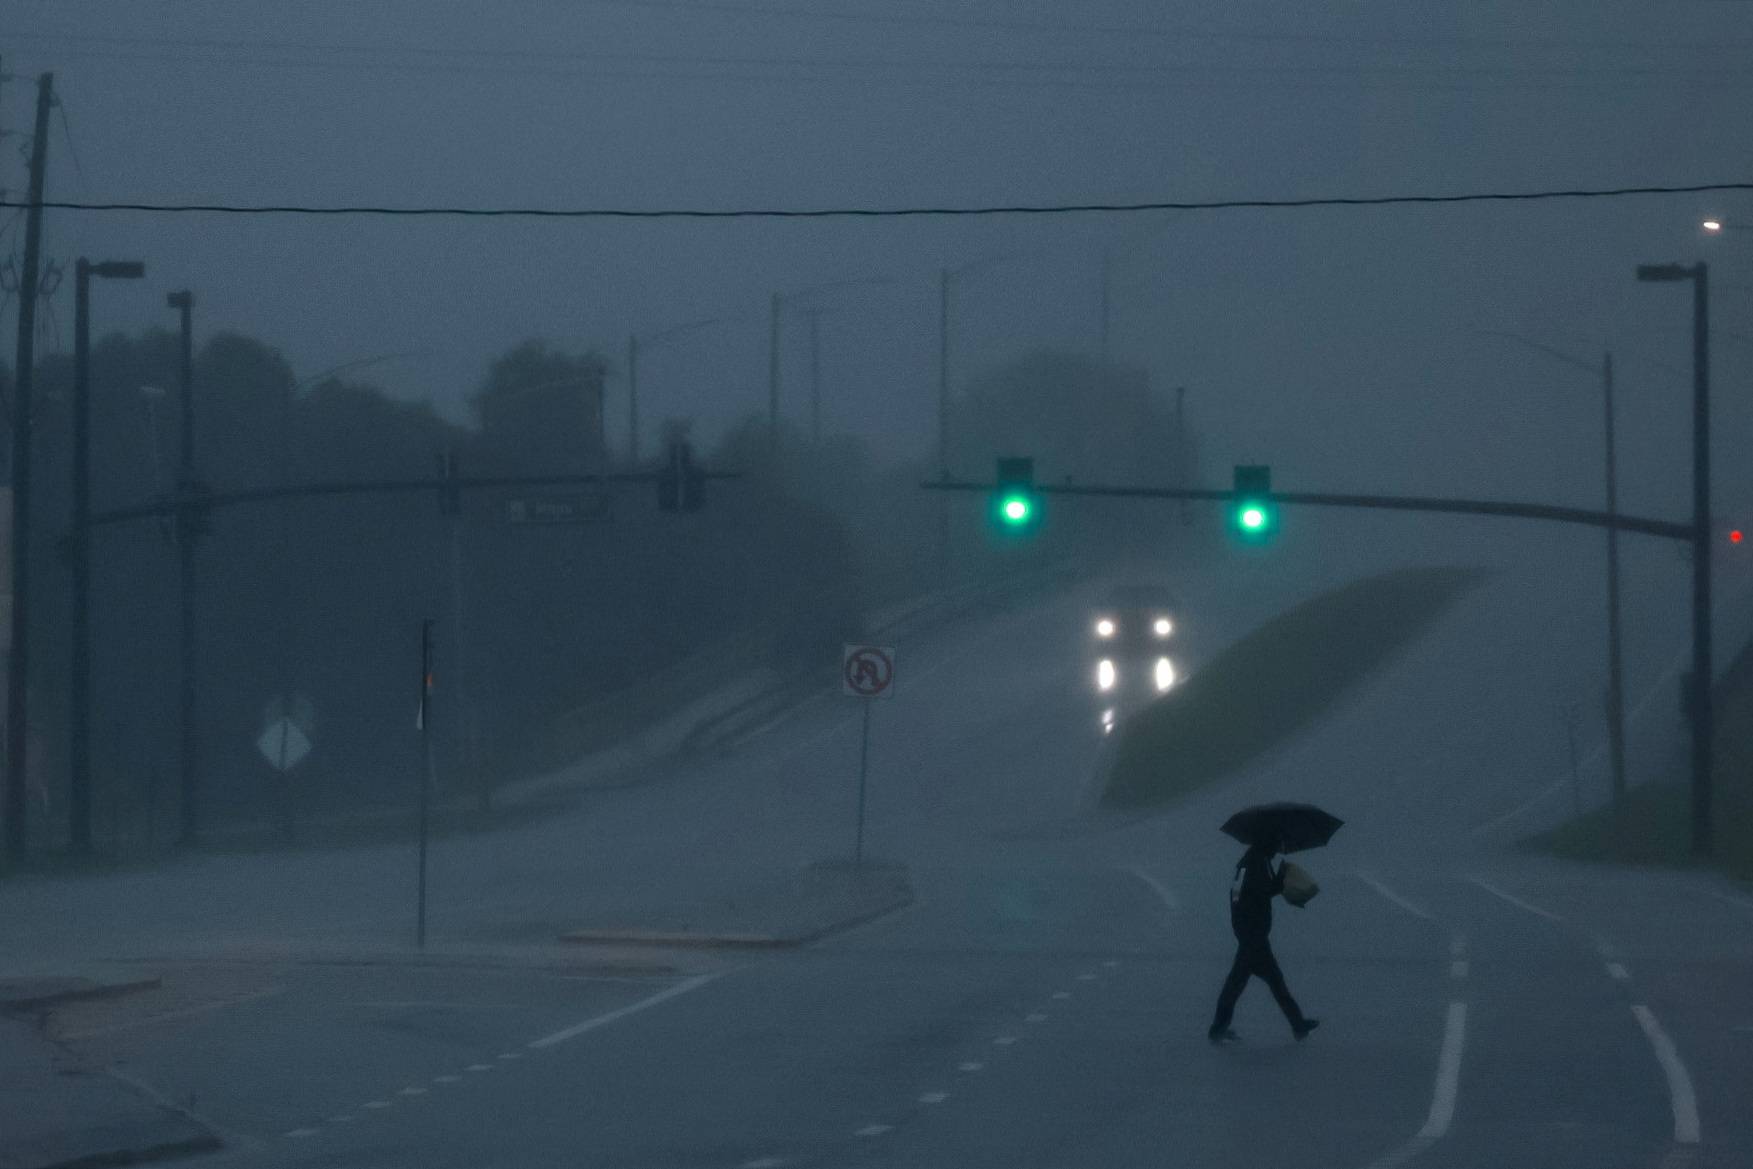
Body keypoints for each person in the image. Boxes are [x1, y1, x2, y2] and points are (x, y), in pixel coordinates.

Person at [1208, 837, 1319, 1043]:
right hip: (1253, 934)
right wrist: (1281, 878)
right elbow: (1262, 892)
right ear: (1267, 843)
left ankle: (1297, 1025)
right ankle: (1297, 1025)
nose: (1279, 848)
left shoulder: (1250, 861)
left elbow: (1243, 894)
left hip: (1250, 932)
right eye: (1276, 844)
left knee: (1249, 983)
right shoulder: (1256, 863)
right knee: (1257, 983)